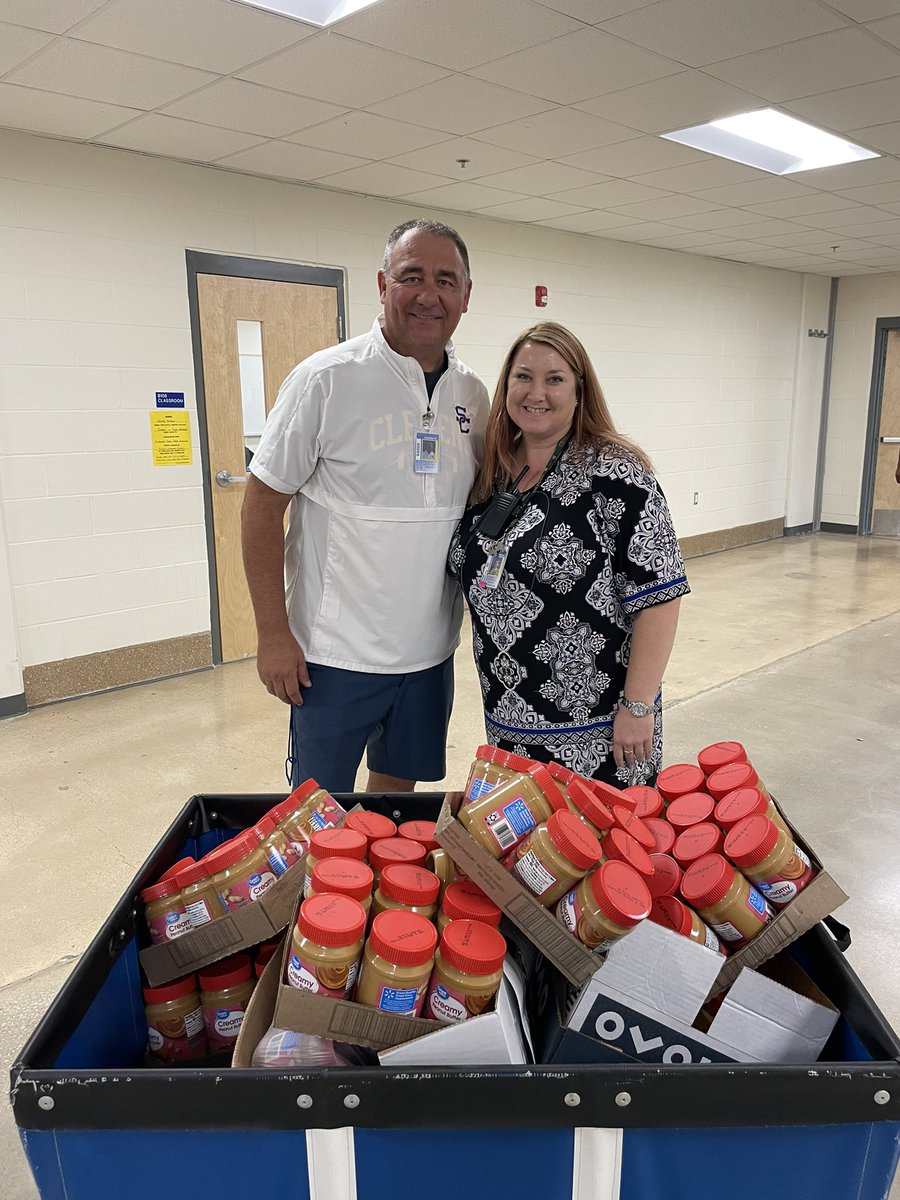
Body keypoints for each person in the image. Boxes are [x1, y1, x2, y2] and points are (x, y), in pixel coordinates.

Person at [242, 218, 489, 795]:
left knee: (394, 813)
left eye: (446, 280)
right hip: (331, 658)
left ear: (466, 296)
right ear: (382, 285)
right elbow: (259, 507)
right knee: (317, 816)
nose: (430, 295)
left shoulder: (473, 397)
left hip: (428, 655)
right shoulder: (324, 380)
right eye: (412, 276)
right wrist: (273, 635)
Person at [448, 322, 689, 787]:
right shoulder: (493, 470)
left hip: (601, 732)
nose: (536, 392)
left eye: (554, 379)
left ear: (580, 390)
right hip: (509, 724)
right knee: (526, 853)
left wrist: (637, 707)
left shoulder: (616, 472)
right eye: (523, 377)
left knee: (600, 853)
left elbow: (660, 596)